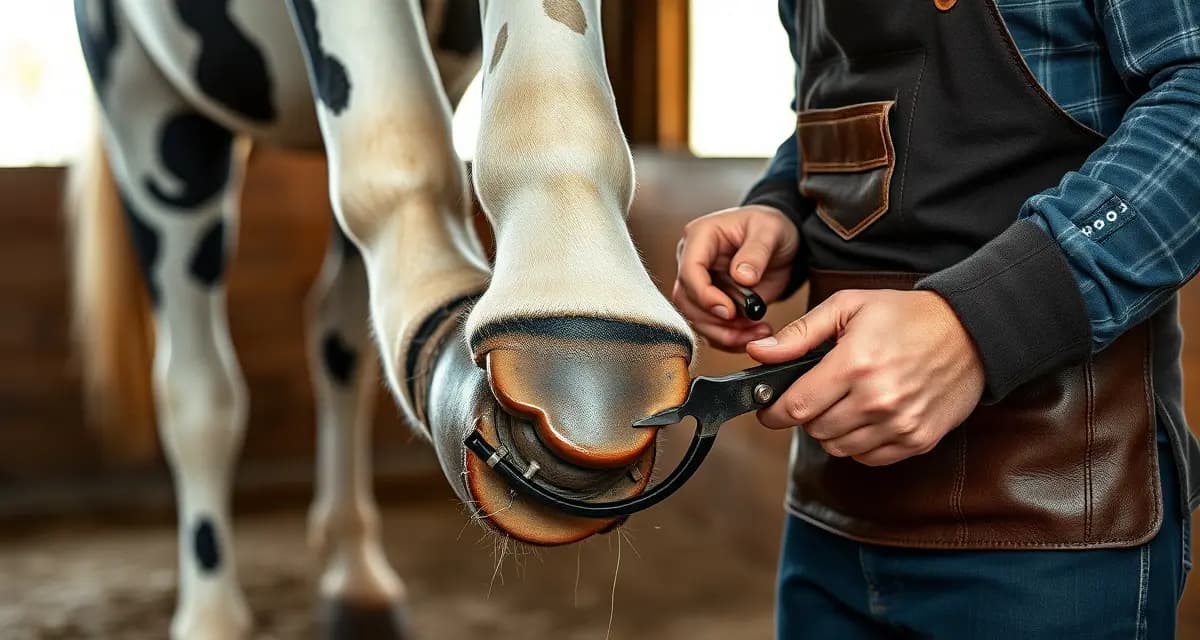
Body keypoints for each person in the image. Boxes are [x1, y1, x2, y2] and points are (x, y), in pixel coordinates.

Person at [672, 1, 1200, 637]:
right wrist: (782, 206)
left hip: (1051, 542)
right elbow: (852, 105)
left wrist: (979, 325)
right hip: (829, 525)